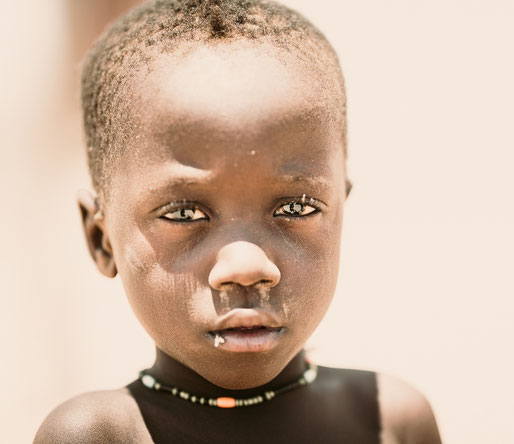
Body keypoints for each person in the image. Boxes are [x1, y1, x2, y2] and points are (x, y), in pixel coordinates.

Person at [34, 1, 441, 442]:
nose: (246, 267)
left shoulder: (388, 421)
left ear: (341, 210)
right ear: (101, 239)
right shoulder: (94, 435)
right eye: (185, 214)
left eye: (296, 208)